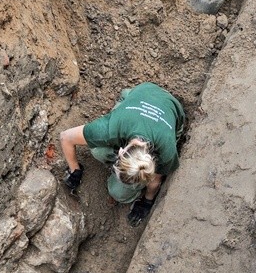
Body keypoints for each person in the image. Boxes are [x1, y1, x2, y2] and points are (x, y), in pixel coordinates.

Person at [59, 82, 185, 226]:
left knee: (118, 192)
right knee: (97, 150)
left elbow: (155, 181)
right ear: (120, 151)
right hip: (142, 95)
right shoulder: (110, 128)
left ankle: (128, 97)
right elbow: (65, 137)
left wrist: (147, 202)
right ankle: (126, 96)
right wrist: (75, 169)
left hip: (171, 110)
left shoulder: (167, 151)